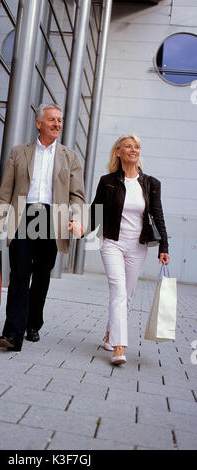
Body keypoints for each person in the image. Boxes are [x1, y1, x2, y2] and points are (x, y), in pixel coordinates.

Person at [0, 103, 86, 352]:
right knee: (20, 273)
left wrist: (77, 218)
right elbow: (5, 193)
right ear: (39, 123)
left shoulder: (70, 156)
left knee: (41, 276)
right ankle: (12, 333)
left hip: (53, 218)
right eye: (52, 119)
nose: (57, 124)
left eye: (60, 120)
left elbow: (78, 195)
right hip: (24, 215)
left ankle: (33, 322)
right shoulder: (19, 152)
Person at [90, 135, 170, 365]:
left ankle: (110, 333)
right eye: (128, 146)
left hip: (138, 246)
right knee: (118, 291)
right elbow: (95, 211)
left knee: (127, 295)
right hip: (112, 242)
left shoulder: (151, 183)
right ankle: (119, 347)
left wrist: (163, 246)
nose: (133, 150)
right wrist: (78, 226)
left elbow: (158, 215)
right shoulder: (107, 181)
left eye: (136, 147)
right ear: (118, 152)